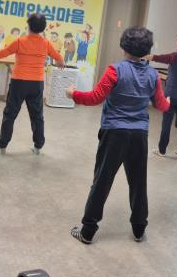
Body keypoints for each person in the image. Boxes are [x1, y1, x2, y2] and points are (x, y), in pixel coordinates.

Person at [66, 27, 170, 244]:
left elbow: (95, 98)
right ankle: (139, 229)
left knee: (102, 181)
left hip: (114, 133)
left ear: (123, 46)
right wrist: (168, 103)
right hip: (139, 135)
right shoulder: (153, 75)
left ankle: (87, 231)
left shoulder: (115, 70)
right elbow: (161, 105)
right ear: (147, 49)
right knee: (138, 182)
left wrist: (72, 94)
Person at [0, 13, 64, 155]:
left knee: (10, 114)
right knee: (37, 116)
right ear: (42, 28)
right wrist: (61, 63)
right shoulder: (46, 43)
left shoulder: (20, 41)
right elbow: (59, 59)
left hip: (19, 83)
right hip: (36, 84)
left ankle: (2, 146)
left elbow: (2, 53)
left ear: (28, 25)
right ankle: (38, 147)